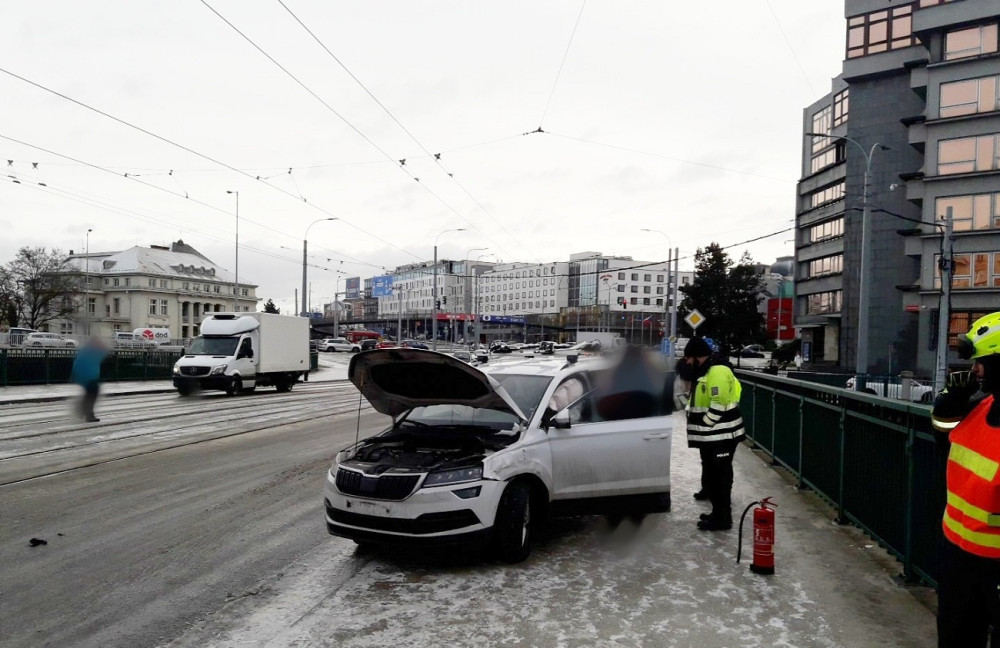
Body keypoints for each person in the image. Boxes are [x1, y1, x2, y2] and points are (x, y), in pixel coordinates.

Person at [932, 312, 1000, 647]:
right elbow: (945, 441)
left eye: (981, 362)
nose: (974, 369)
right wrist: (948, 407)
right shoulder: (981, 406)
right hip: (957, 554)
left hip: (994, 566)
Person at [676, 336, 745, 531]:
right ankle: (717, 513)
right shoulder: (705, 371)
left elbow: (719, 403)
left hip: (722, 435)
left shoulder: (717, 371)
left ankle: (723, 518)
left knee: (722, 477)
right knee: (715, 476)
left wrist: (705, 425)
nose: (687, 362)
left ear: (698, 356)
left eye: (689, 358)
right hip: (713, 437)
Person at [70, 337, 108, 423]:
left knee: (89, 394)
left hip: (88, 377)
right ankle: (88, 414)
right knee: (92, 395)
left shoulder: (88, 352)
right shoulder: (89, 353)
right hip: (89, 377)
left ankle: (83, 410)